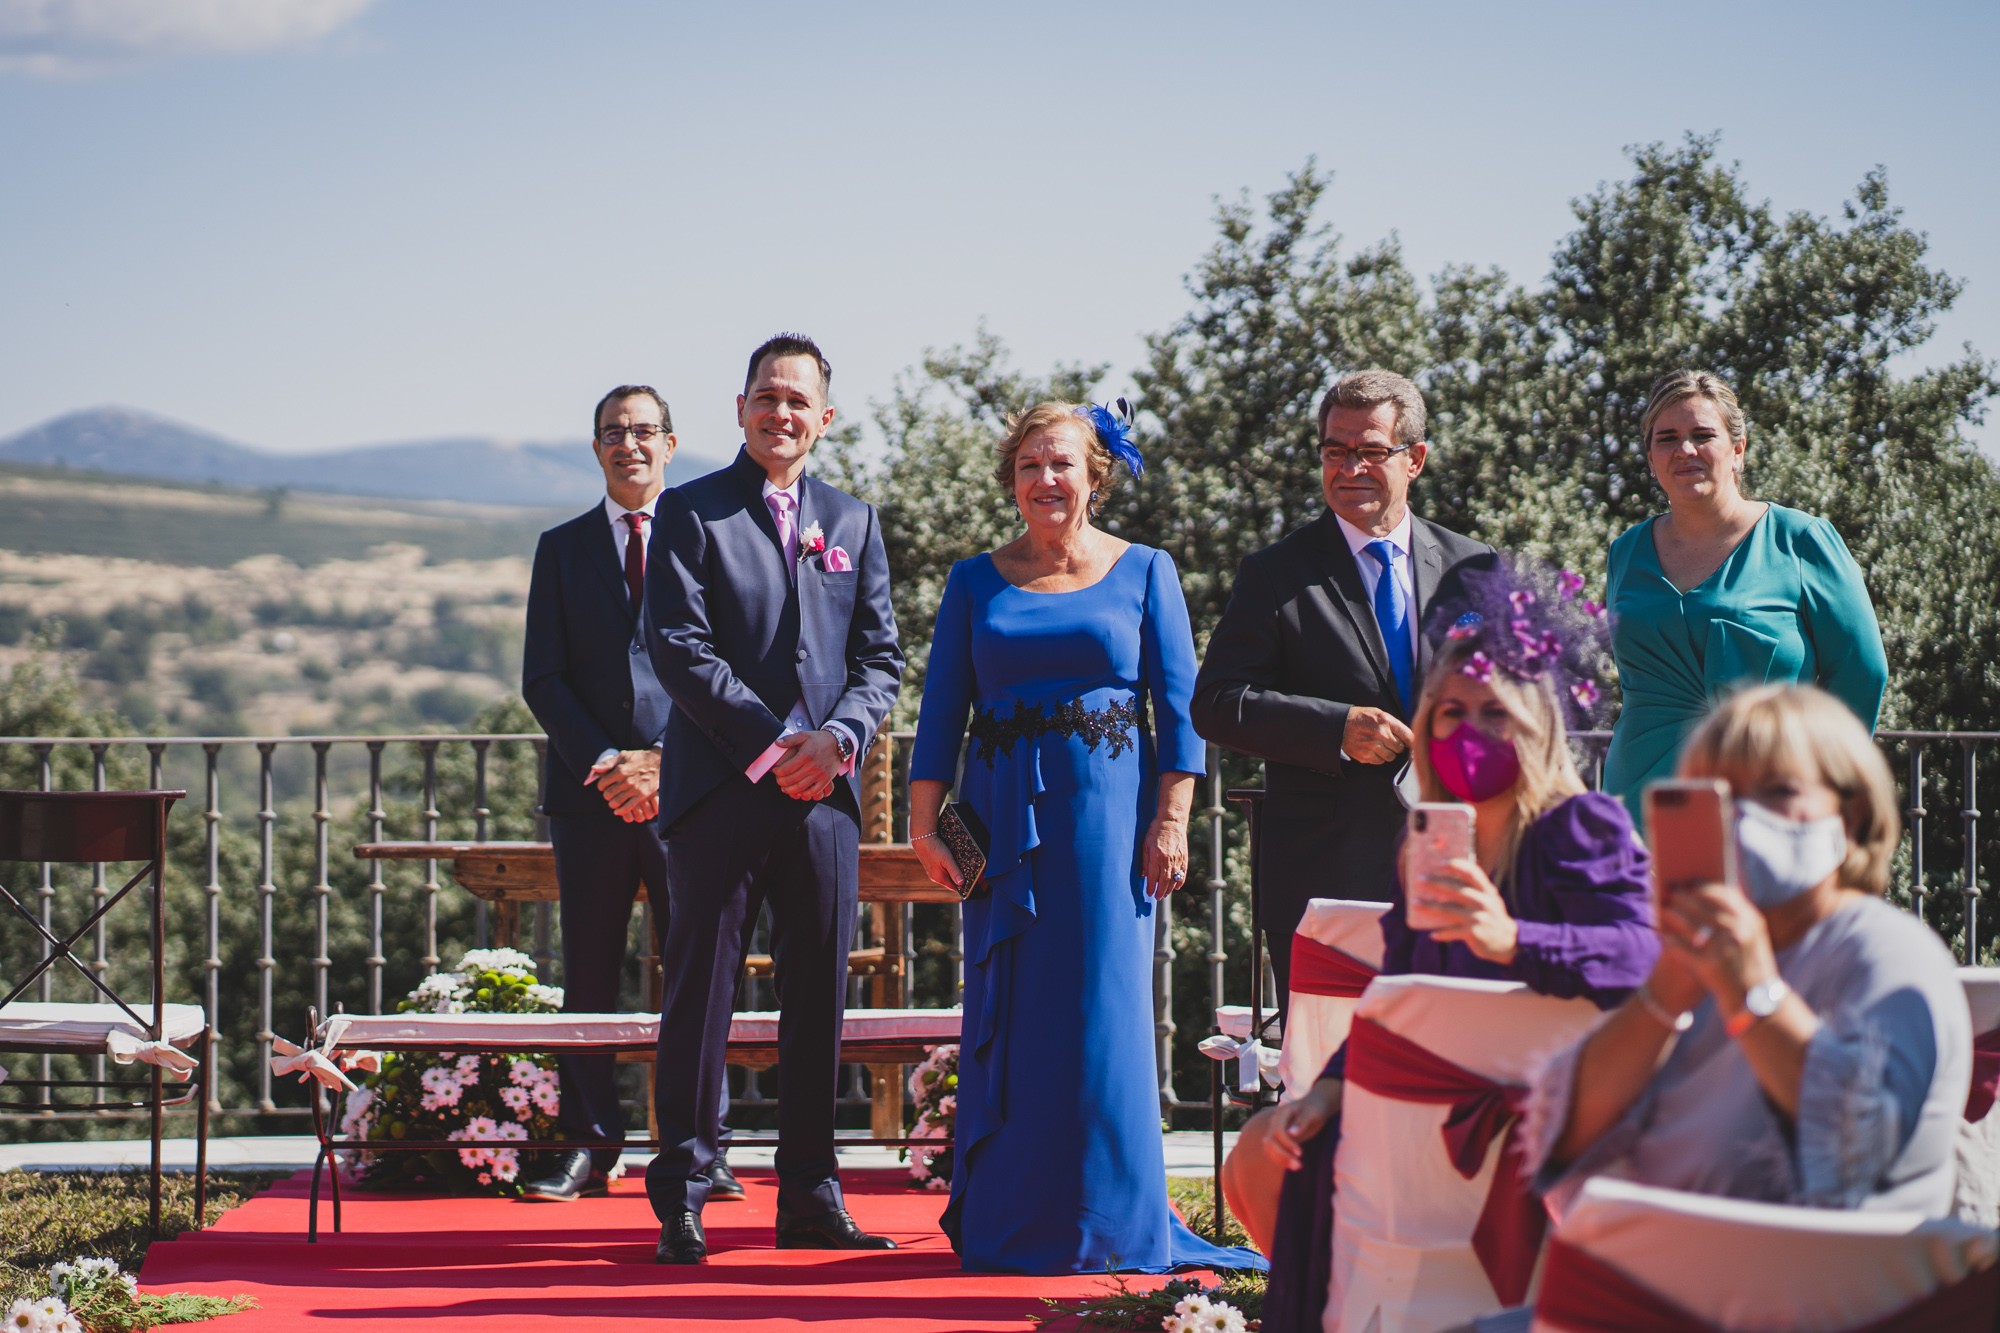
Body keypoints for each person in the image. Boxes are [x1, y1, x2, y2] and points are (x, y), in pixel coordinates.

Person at [1222, 574, 1658, 1331]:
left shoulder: (1578, 828)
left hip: (1557, 1116)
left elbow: (1645, 955)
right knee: (1265, 1150)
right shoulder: (1428, 844)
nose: (1469, 731)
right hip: (1419, 1114)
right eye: (1450, 712)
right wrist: (1327, 1089)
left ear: (1537, 727)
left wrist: (1513, 938)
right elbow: (1399, 997)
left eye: (1495, 713)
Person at [908, 400, 1263, 1275]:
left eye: (1061, 462)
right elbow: (939, 711)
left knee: (1101, 1017)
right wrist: (924, 825)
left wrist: (1171, 820)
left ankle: (1110, 1222)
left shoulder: (1147, 571)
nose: (1045, 479)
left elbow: (1180, 712)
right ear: (1012, 479)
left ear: (1096, 475)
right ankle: (1013, 1220)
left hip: (1109, 826)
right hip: (1000, 823)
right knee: (1015, 1015)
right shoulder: (973, 581)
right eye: (1029, 465)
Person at [643, 335, 903, 1264]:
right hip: (722, 790)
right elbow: (678, 644)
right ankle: (682, 1191)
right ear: (742, 407)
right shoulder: (690, 511)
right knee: (700, 999)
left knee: (817, 1001)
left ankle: (810, 1194)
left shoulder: (855, 521)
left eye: (799, 400)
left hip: (824, 800)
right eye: (766, 396)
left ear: (824, 418)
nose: (781, 412)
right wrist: (772, 744)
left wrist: (835, 744)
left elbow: (881, 660)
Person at [1523, 684, 1971, 1218]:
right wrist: (1665, 992)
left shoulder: (1887, 950)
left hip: (1824, 1295)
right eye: (1719, 797)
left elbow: (1865, 1153)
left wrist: (1754, 994)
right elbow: (1562, 1136)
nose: (1744, 817)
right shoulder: (1694, 963)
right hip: (1652, 1287)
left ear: (1848, 819)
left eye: (1778, 790)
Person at [1192, 369, 1495, 1009]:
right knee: (1329, 1086)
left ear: (1414, 459)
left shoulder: (1476, 566)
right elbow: (1216, 704)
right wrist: (1335, 729)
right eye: (1335, 451)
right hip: (1327, 875)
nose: (1349, 467)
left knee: (1446, 1075)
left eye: (1370, 451)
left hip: (1457, 870)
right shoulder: (1276, 574)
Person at [517, 385, 740, 1203]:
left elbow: (729, 670)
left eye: (644, 431)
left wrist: (665, 762)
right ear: (596, 447)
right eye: (614, 432)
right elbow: (543, 676)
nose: (629, 445)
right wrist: (611, 763)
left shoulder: (713, 539)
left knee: (698, 970)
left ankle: (699, 1148)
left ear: (672, 445)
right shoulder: (562, 547)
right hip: (592, 795)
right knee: (589, 972)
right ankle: (587, 1145)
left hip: (692, 792)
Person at [1602, 369, 1888, 823]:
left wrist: (1826, 785)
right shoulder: (1625, 553)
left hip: (1767, 798)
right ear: (1651, 458)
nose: (1685, 450)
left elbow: (1862, 672)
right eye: (1667, 438)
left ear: (1738, 450)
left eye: (1703, 434)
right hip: (1638, 796)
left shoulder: (1801, 540)